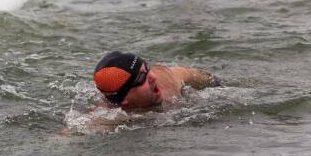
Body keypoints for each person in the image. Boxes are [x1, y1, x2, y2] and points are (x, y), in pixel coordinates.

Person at [93, 51, 221, 108]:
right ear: (124, 100)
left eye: (147, 69)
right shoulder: (110, 119)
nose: (153, 77)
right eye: (142, 77)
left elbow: (198, 76)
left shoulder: (166, 79)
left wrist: (218, 84)